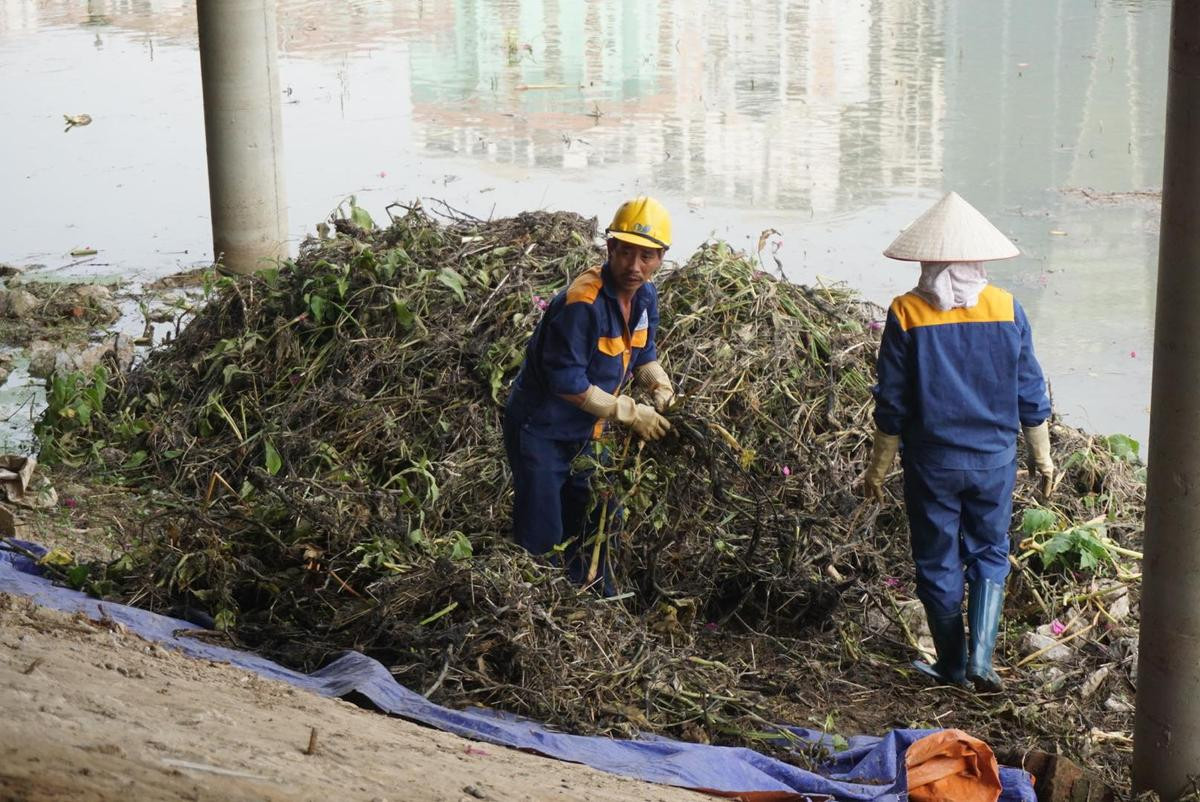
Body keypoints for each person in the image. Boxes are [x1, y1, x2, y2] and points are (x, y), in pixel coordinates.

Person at [862, 191, 1055, 692]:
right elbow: (1030, 390)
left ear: (928, 261)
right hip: (994, 462)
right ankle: (981, 662)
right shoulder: (1007, 308)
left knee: (936, 558)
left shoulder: (906, 312)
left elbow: (893, 403)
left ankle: (951, 662)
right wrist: (1042, 458)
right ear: (977, 259)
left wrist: (877, 469)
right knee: (991, 549)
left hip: (933, 466)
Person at [503, 196, 676, 593]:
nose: (635, 267)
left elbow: (643, 354)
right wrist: (631, 414)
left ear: (661, 258)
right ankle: (541, 602)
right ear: (610, 248)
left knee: (600, 515)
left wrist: (662, 389)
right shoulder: (583, 304)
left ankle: (594, 595)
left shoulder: (645, 296)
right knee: (542, 531)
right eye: (626, 253)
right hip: (541, 430)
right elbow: (567, 383)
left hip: (588, 431)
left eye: (647, 257)